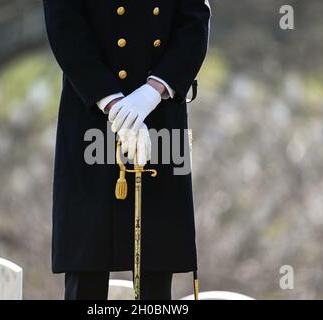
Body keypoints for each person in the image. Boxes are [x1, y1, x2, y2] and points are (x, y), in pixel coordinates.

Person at [43, 0, 211, 300]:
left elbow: (194, 21)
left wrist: (153, 91)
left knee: (156, 267)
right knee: (86, 264)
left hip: (159, 114)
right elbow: (65, 25)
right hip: (91, 114)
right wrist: (113, 103)